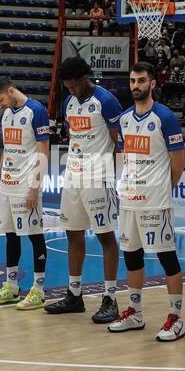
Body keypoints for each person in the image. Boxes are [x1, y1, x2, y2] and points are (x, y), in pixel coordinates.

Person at [106, 61, 185, 341]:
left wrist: (165, 187)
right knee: (132, 257)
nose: (136, 86)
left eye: (141, 81)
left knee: (167, 258)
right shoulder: (125, 119)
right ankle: (135, 312)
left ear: (152, 84)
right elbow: (122, 154)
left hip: (155, 201)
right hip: (129, 200)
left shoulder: (165, 117)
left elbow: (178, 160)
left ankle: (176, 318)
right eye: (132, 81)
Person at [45, 56, 123, 322]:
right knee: (73, 235)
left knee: (105, 237)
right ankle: (74, 295)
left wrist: (116, 176)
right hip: (74, 177)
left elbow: (119, 142)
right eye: (66, 86)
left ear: (83, 79)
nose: (70, 90)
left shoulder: (107, 101)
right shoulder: (69, 103)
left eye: (72, 85)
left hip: (98, 178)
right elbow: (74, 137)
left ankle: (111, 298)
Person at [0, 76, 52, 310]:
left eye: (1, 99)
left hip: (26, 185)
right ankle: (11, 287)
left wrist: (35, 186)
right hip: (7, 184)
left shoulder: (36, 110)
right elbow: (7, 150)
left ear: (11, 91)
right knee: (10, 235)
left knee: (34, 236)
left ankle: (38, 290)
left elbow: (44, 151)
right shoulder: (6, 115)